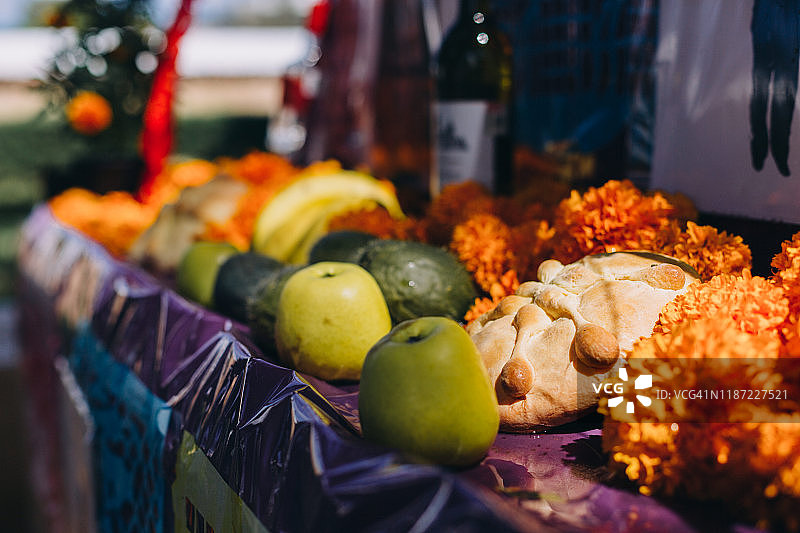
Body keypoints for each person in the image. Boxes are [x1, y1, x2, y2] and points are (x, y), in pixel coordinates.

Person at [750, 0, 800, 177]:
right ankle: (762, 147)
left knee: (782, 96)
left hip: (786, 29)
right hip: (770, 27)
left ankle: (777, 151)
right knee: (761, 92)